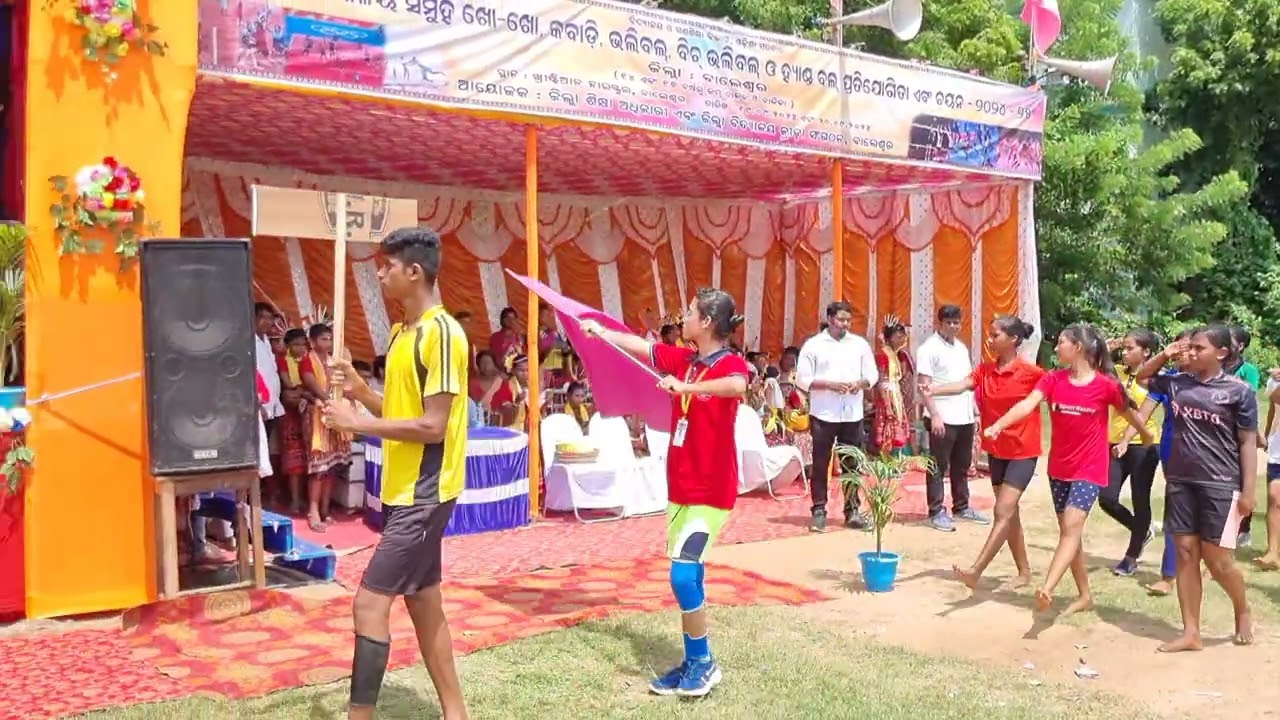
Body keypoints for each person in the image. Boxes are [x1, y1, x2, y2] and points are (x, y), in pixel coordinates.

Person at [321, 227, 470, 720]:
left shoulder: (441, 334)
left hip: (426, 492)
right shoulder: (400, 333)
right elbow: (401, 411)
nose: (381, 273)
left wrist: (357, 424)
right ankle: (456, 714)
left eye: (387, 266)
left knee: (368, 605)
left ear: (415, 271)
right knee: (423, 603)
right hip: (403, 489)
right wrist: (361, 392)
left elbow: (433, 426)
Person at [580, 288, 750, 698]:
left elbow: (737, 386)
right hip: (682, 487)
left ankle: (704, 663)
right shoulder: (685, 361)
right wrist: (600, 331)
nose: (682, 318)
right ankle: (694, 661)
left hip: (711, 490)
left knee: (683, 575)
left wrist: (685, 391)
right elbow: (642, 347)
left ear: (706, 322)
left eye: (690, 312)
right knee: (691, 573)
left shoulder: (729, 363)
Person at [984, 324, 1152, 614]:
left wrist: (1145, 436)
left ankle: (1047, 588)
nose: (1056, 346)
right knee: (1069, 533)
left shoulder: (1106, 385)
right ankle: (1085, 595)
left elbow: (1130, 413)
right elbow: (1027, 404)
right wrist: (999, 424)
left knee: (1071, 527)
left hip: (1090, 468)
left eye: (1061, 342)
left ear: (1078, 348)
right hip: (1059, 468)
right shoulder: (1053, 379)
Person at [1135, 326, 1256, 651]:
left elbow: (1247, 442)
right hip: (1181, 482)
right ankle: (1191, 632)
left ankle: (1242, 608)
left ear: (1221, 353)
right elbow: (1142, 377)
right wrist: (1165, 354)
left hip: (1221, 483)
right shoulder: (1177, 382)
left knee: (1219, 562)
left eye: (1199, 348)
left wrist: (1248, 491)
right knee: (1186, 554)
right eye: (1190, 347)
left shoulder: (1239, 392)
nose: (1191, 353)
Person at [925, 315, 1042, 590]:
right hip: (997, 451)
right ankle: (1024, 571)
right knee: (1010, 514)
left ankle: (976, 570)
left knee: (1003, 510)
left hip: (1023, 450)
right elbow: (963, 385)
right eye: (990, 335)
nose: (990, 340)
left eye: (995, 335)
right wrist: (934, 389)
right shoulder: (986, 370)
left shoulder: (1032, 373)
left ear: (1013, 339)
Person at [795, 301, 878, 533]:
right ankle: (819, 511)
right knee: (821, 464)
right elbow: (802, 379)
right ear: (830, 319)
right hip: (824, 413)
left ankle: (852, 511)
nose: (845, 324)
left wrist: (859, 383)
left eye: (848, 320)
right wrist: (829, 385)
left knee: (852, 464)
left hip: (852, 413)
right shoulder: (814, 345)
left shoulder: (859, 344)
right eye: (841, 320)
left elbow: (872, 375)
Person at [917, 304, 989, 531]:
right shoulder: (928, 349)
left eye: (957, 322)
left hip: (963, 415)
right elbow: (924, 386)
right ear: (939, 323)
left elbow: (967, 383)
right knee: (938, 466)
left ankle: (961, 506)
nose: (953, 326)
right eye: (949, 322)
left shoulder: (961, 348)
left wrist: (974, 411)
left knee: (961, 464)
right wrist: (934, 415)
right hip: (942, 415)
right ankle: (936, 510)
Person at [1100, 330, 1163, 576]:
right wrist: (1105, 348)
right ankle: (1143, 530)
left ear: (1146, 352)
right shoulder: (1117, 372)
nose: (1124, 353)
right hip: (1114, 443)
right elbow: (1091, 368)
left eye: (1130, 348)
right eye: (1123, 348)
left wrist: (1128, 440)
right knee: (1107, 498)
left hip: (1144, 445)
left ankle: (1131, 557)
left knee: (1140, 498)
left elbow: (1143, 415)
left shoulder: (1155, 379)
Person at [1227, 325, 1261, 547]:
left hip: (1239, 430)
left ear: (1240, 346)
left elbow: (1249, 396)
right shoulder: (1217, 366)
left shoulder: (1248, 370)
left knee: (1242, 480)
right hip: (1220, 431)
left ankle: (1244, 528)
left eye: (1229, 340)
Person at [873, 315, 915, 455]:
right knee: (888, 430)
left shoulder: (897, 355)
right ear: (890, 338)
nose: (903, 339)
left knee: (897, 428)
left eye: (904, 336)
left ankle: (897, 459)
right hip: (888, 396)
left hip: (896, 396)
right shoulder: (883, 355)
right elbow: (881, 381)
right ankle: (886, 460)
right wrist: (887, 405)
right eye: (899, 336)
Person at [1253, 371, 1280, 570]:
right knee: (1274, 497)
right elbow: (1275, 401)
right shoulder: (1275, 380)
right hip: (1278, 449)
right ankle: (1272, 552)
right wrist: (1267, 434)